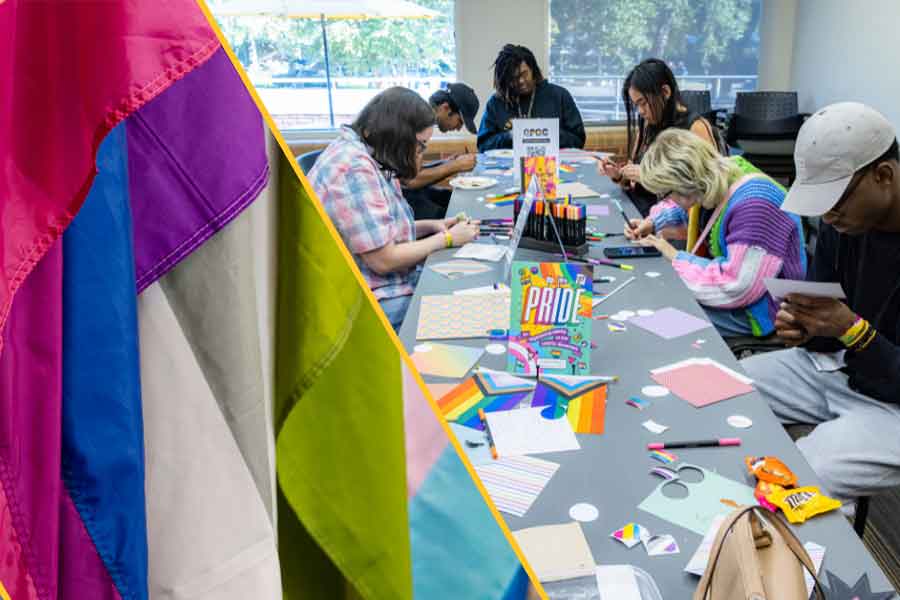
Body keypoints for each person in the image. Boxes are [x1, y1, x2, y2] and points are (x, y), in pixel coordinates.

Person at [742, 102, 900, 511]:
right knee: (729, 388)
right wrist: (805, 328)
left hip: (893, 405)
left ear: (883, 176)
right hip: (844, 370)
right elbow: (827, 320)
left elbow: (853, 332)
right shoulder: (842, 226)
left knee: (807, 475)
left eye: (836, 201)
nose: (827, 217)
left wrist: (853, 330)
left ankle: (810, 569)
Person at [308, 87, 480, 330]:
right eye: (421, 146)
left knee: (468, 287)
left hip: (389, 282)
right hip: (374, 299)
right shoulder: (355, 168)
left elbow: (381, 232)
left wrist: (433, 226)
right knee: (468, 315)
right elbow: (384, 259)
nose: (420, 152)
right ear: (400, 135)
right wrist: (448, 238)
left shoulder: (367, 154)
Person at [631, 128, 806, 338]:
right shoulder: (721, 173)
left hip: (764, 311)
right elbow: (692, 206)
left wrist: (675, 258)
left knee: (655, 316)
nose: (668, 199)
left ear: (686, 183)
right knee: (655, 300)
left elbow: (737, 286)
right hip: (744, 290)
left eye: (667, 192)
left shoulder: (755, 205)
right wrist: (653, 222)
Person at [599, 58, 722, 220]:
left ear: (665, 92)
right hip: (641, 214)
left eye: (643, 103)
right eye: (636, 105)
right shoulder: (648, 125)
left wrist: (649, 177)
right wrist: (619, 174)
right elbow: (634, 177)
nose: (640, 111)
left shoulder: (695, 127)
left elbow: (708, 189)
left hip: (671, 223)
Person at [477, 44, 585, 151]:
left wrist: (549, 133)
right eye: (514, 78)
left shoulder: (559, 95)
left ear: (532, 69)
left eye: (524, 74)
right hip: (507, 167)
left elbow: (578, 140)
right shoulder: (496, 102)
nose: (521, 81)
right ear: (506, 79)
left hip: (552, 165)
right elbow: (483, 145)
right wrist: (510, 136)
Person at [403, 83, 480, 219]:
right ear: (445, 108)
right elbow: (409, 180)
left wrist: (445, 162)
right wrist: (455, 166)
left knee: (457, 200)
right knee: (455, 216)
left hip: (410, 191)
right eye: (460, 122)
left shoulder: (422, 119)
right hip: (399, 199)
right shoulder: (413, 121)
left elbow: (411, 170)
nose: (458, 128)